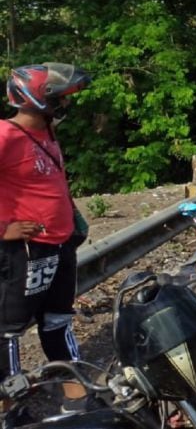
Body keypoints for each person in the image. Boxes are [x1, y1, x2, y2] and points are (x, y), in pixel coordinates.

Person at [0, 63, 92, 414]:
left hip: (59, 245)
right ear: (38, 101)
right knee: (7, 334)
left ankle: (77, 397)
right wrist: (4, 227)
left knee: (58, 321)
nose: (66, 106)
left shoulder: (47, 134)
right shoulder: (6, 135)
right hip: (24, 253)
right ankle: (11, 409)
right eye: (61, 100)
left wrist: (72, 219)